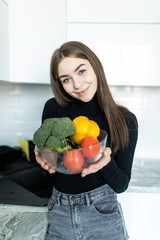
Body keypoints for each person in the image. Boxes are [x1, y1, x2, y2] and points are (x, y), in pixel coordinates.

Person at [34, 41, 138, 240]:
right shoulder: (54, 110)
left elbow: (122, 184)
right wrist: (42, 160)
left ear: (95, 66)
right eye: (66, 79)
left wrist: (104, 162)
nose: (77, 84)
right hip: (60, 212)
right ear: (60, 84)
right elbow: (51, 171)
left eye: (81, 71)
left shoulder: (125, 121)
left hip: (102, 214)